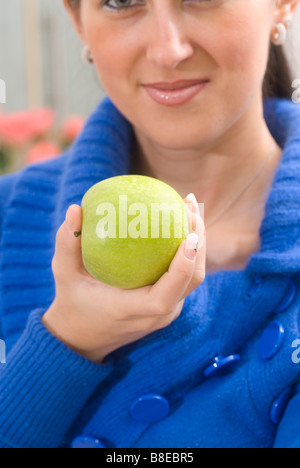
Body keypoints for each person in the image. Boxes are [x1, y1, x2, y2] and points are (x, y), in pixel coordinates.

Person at [0, 0, 300, 449]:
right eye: (120, 1)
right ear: (77, 18)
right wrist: (66, 342)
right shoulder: (7, 219)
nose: (167, 50)